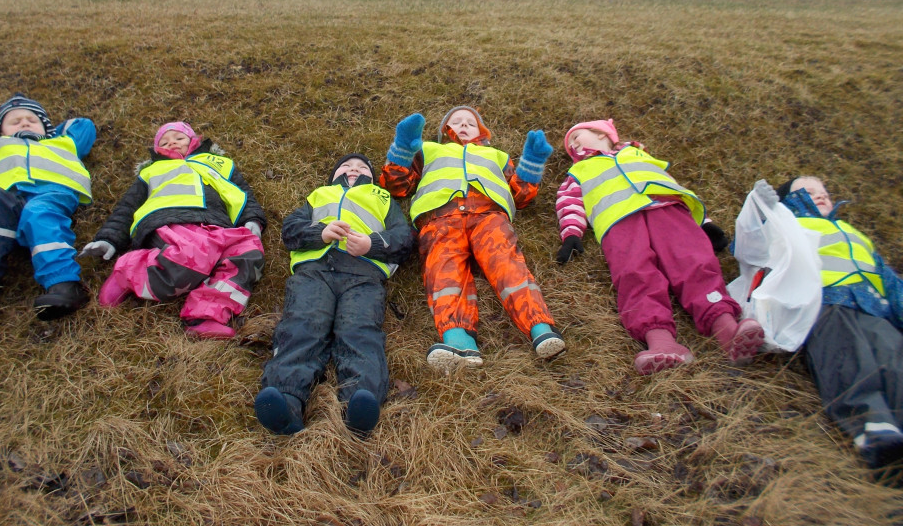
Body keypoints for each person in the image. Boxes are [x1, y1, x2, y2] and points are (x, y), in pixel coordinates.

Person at [555, 118, 763, 374]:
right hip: (619, 223)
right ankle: (660, 342)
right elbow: (569, 202)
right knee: (634, 273)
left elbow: (673, 185)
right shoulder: (579, 171)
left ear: (601, 134)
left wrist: (705, 223)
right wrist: (572, 234)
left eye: (577, 137)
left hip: (669, 211)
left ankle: (727, 329)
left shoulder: (639, 154)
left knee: (693, 260)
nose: (573, 146)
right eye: (570, 146)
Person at [379, 106, 566, 369]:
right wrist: (402, 148)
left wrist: (532, 161)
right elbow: (397, 186)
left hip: (489, 217)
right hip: (439, 219)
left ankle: (541, 328)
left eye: (471, 122)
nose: (464, 124)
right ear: (445, 130)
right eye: (456, 121)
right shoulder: (430, 150)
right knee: (444, 272)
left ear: (483, 132)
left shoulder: (497, 156)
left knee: (508, 265)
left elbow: (520, 196)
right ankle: (459, 341)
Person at [255, 154, 413, 436]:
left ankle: (360, 400)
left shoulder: (382, 198)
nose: (354, 169)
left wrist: (371, 244)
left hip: (363, 275)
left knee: (359, 330)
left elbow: (404, 238)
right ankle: (286, 398)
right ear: (334, 174)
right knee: (301, 324)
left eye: (362, 167)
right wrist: (321, 232)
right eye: (346, 166)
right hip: (314, 272)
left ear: (372, 177)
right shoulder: (318, 196)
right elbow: (290, 229)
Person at [80, 122, 266, 339]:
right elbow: (126, 208)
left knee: (249, 255)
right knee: (191, 257)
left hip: (220, 225)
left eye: (178, 137)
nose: (172, 143)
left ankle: (206, 315)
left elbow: (243, 192)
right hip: (172, 220)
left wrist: (252, 219)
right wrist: (109, 239)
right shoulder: (151, 171)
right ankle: (129, 272)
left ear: (194, 140)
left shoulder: (220, 164)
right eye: (165, 141)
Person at [770, 176, 903, 474]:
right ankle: (872, 425)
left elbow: (889, 279)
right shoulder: (786, 224)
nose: (820, 196)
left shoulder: (853, 233)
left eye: (824, 192)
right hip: (825, 302)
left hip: (873, 307)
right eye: (808, 191)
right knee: (846, 356)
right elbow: (754, 246)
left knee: (895, 358)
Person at [0, 94, 96, 320]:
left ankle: (64, 284)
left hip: (51, 193)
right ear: (0, 130)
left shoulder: (63, 141)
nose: (24, 123)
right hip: (7, 196)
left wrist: (49, 133)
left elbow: (84, 125)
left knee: (38, 215)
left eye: (32, 119)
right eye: (15, 121)